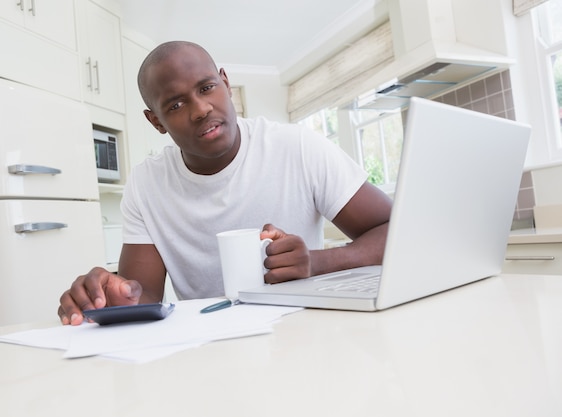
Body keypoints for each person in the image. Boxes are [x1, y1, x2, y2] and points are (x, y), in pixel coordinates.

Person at [58, 41, 393, 325]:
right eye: (176, 104)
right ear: (156, 121)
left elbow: (398, 229)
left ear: (225, 84)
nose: (201, 109)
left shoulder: (297, 148)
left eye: (206, 88)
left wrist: (318, 262)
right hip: (210, 346)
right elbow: (142, 297)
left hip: (303, 333)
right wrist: (109, 296)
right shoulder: (147, 184)